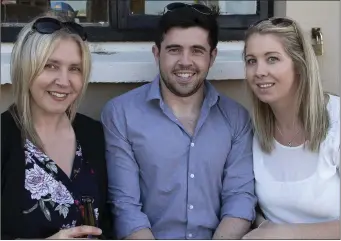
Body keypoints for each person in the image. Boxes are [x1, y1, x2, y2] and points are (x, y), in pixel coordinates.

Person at [101, 2, 257, 240]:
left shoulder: (236, 118)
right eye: (174, 49)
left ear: (212, 57)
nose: (185, 62)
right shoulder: (121, 114)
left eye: (197, 50)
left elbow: (240, 198)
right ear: (157, 53)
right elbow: (125, 207)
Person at [1, 12, 112, 239]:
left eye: (74, 69)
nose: (64, 81)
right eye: (50, 66)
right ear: (26, 68)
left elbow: (108, 222)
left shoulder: (92, 134)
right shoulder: (4, 138)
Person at [242, 17, 340, 239]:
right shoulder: (252, 131)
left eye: (272, 59)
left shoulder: (336, 121)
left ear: (300, 64)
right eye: (251, 61)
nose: (259, 71)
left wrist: (285, 234)